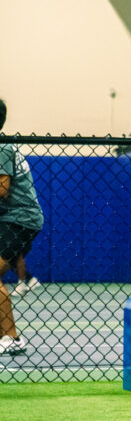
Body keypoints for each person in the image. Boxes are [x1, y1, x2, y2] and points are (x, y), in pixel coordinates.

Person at [0, 99, 44, 356]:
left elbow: (2, 189)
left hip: (20, 219)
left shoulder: (2, 147)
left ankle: (11, 338)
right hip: (8, 218)